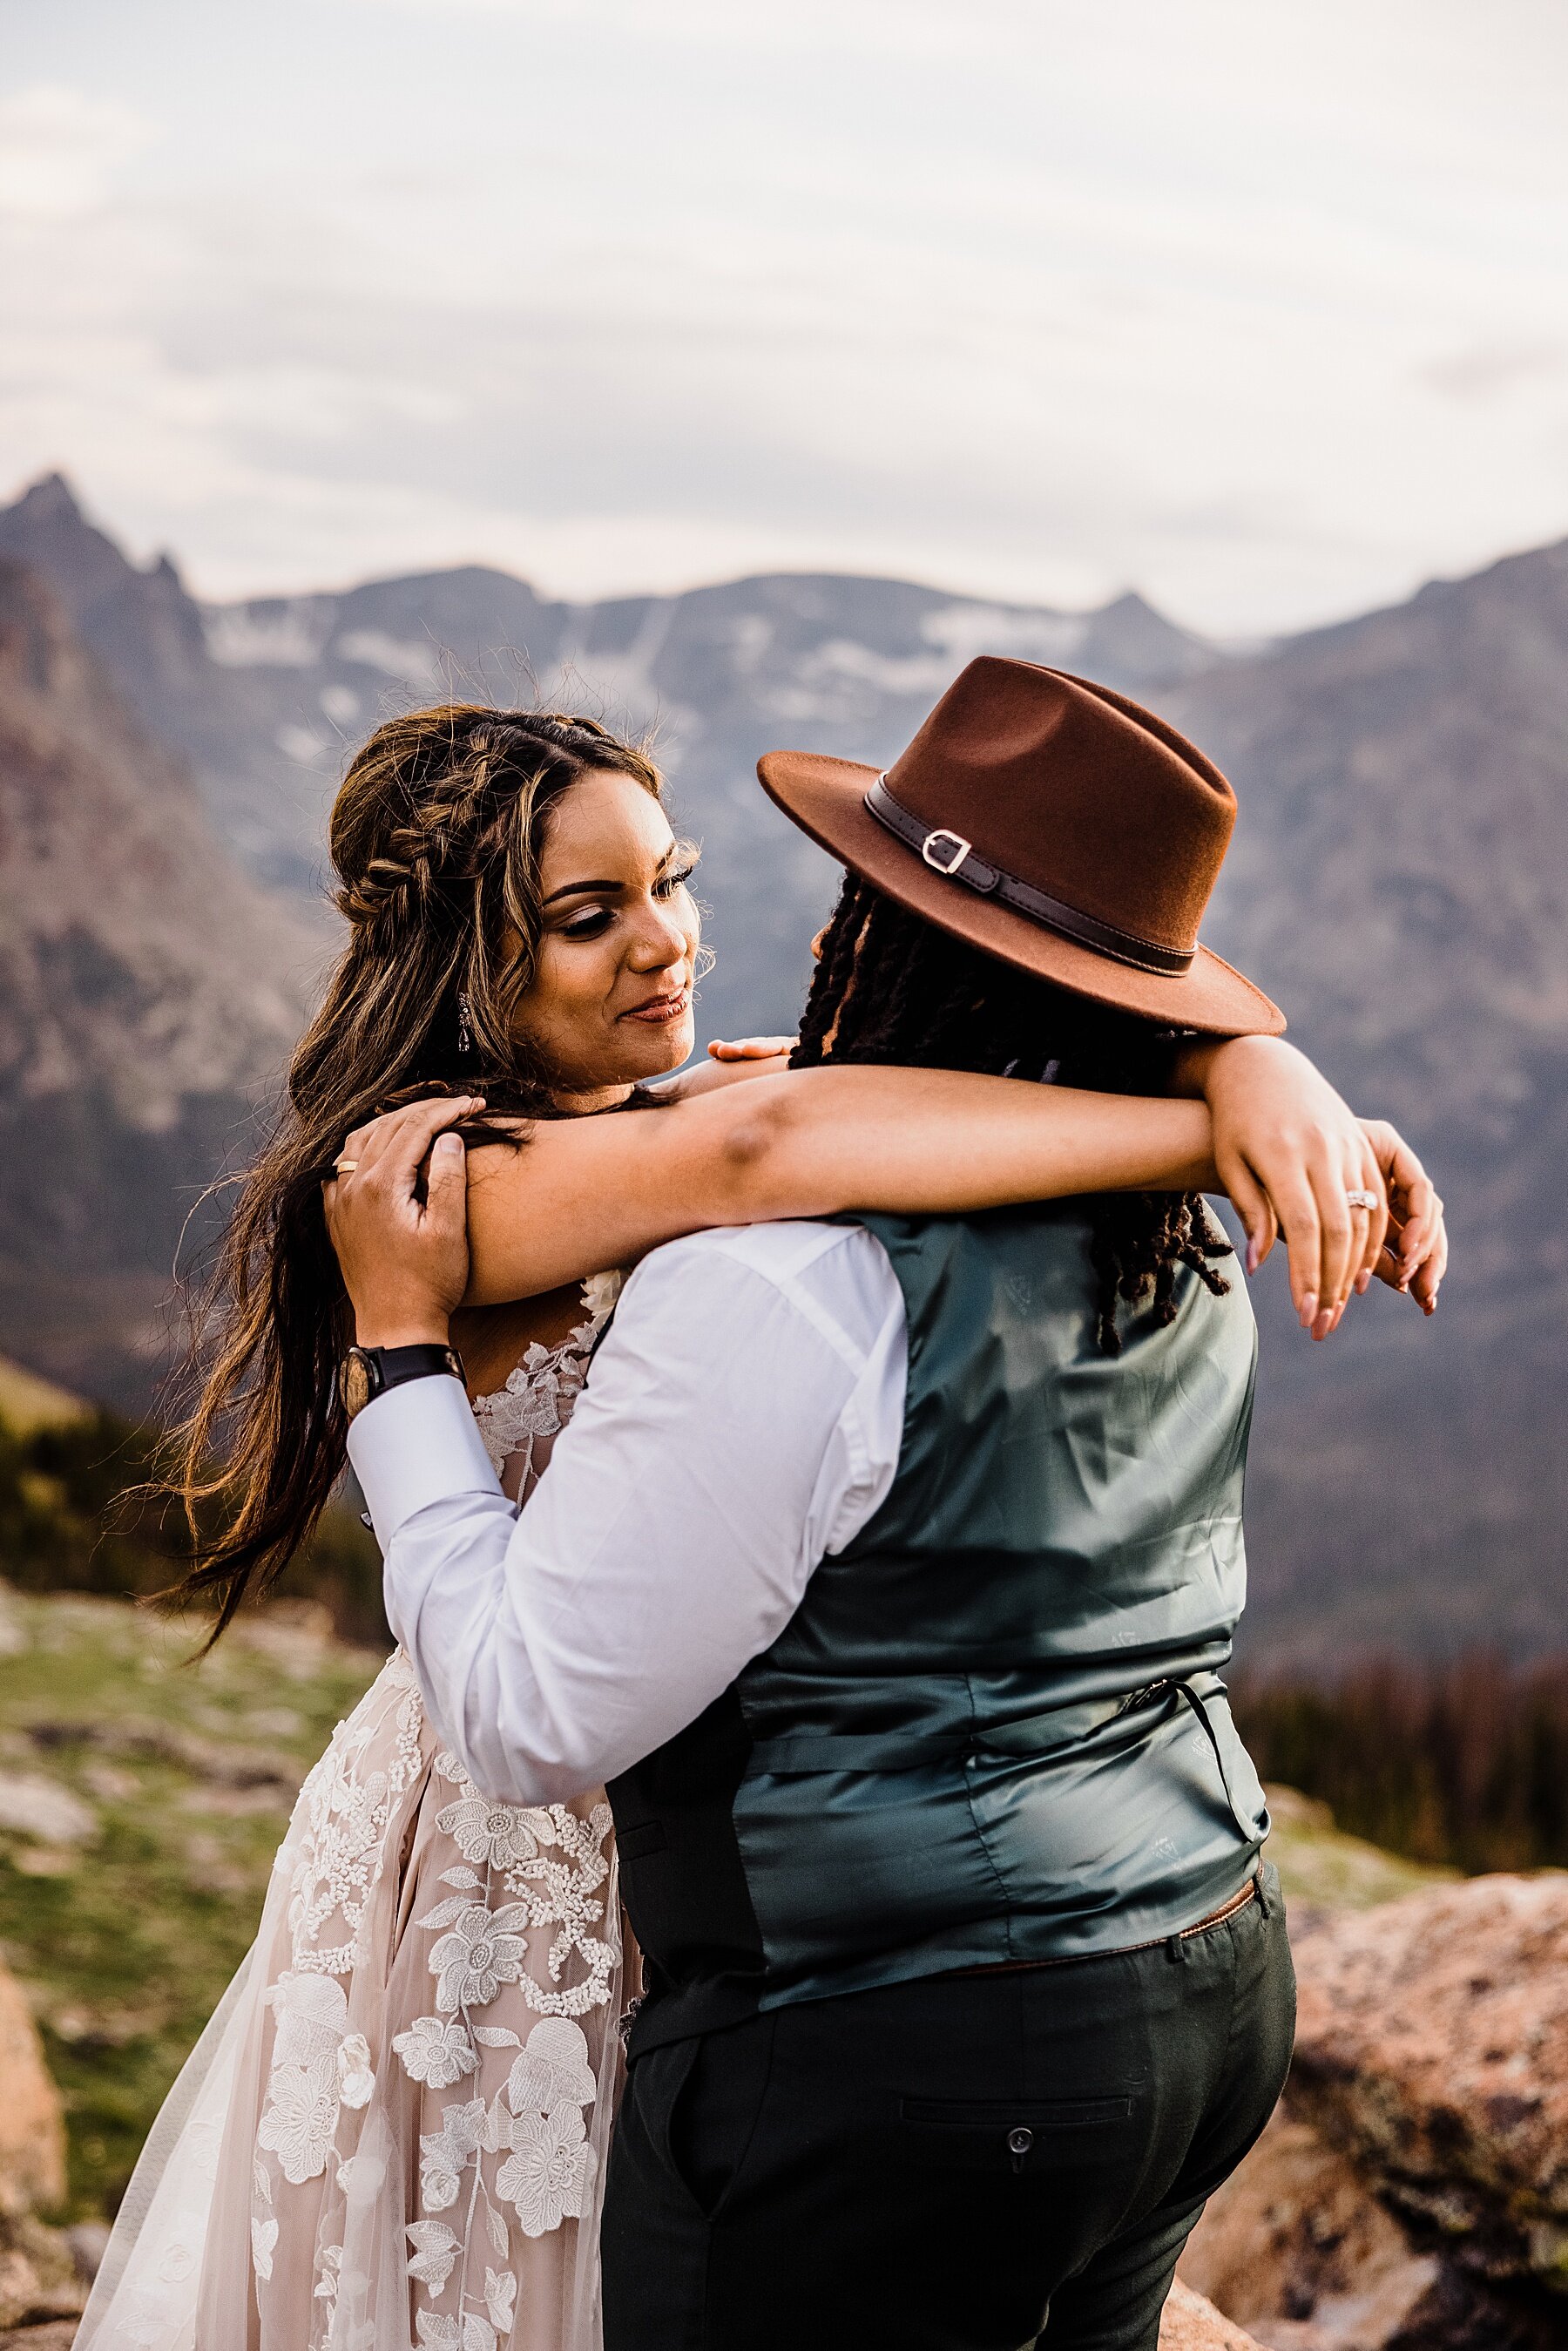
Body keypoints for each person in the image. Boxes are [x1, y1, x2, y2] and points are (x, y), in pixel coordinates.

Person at [311, 660, 1445, 2351]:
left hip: (836, 1982)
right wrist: (1239, 1090)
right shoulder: (455, 1177)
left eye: (682, 880)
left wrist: (1250, 1091)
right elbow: (770, 1143)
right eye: (589, 910)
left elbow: (775, 1146)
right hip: (1163, 1941)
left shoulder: (791, 1223)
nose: (683, 937)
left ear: (883, 934)